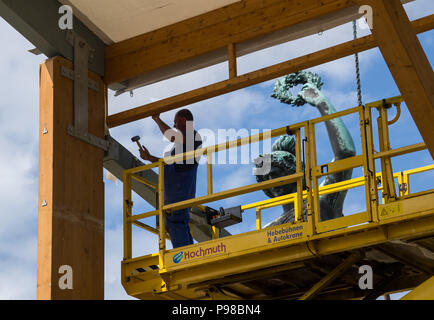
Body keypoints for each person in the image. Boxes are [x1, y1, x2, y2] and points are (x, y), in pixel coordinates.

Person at [139, 109, 202, 248]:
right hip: (179, 191)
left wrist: (156, 119)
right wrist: (149, 158)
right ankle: (188, 254)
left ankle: (184, 257)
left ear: (184, 120)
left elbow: (171, 136)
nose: (174, 125)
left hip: (179, 191)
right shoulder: (182, 146)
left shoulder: (193, 136)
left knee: (175, 223)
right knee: (179, 223)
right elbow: (168, 164)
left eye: (175, 121)